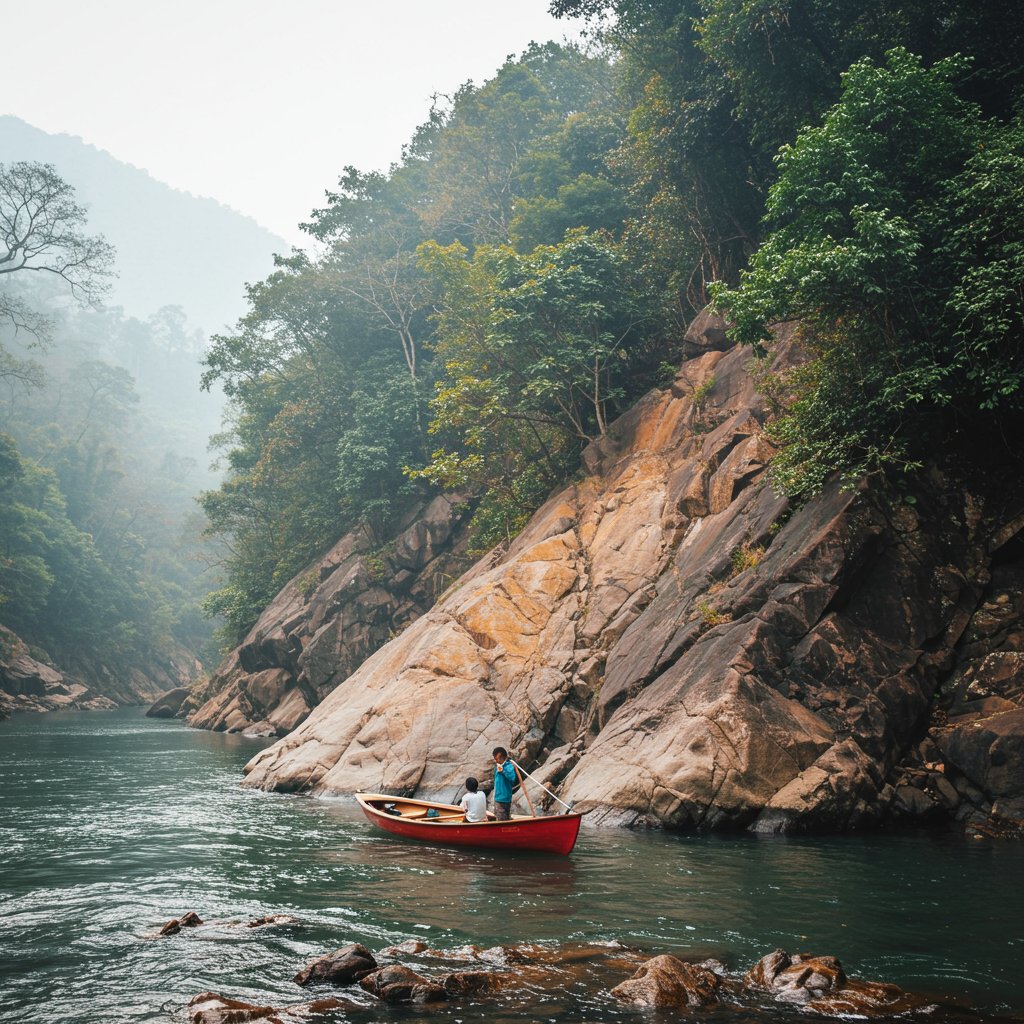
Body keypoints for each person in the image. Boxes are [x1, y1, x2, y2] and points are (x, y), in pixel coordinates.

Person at [492, 746, 517, 821]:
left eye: (497, 758)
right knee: (500, 818)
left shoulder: (509, 766)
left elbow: (512, 778)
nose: (496, 761)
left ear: (502, 757)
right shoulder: (497, 767)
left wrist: (503, 771)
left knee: (502, 821)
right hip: (498, 799)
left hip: (506, 798)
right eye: (495, 759)